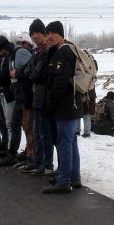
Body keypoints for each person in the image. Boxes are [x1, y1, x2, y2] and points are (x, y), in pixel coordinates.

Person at [42, 21, 82, 194]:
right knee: (71, 141)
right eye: (47, 33)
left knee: (64, 142)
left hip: (64, 105)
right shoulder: (65, 49)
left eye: (53, 33)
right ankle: (74, 177)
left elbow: (60, 81)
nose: (49, 36)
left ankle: (64, 181)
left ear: (61, 34)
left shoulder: (63, 51)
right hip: (70, 104)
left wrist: (50, 101)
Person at [22, 19, 55, 175]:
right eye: (32, 33)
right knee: (37, 131)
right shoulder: (36, 51)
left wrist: (31, 73)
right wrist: (31, 73)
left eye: (38, 33)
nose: (35, 36)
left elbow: (36, 75)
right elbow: (28, 71)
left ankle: (47, 164)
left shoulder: (46, 51)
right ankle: (38, 161)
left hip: (44, 99)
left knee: (44, 133)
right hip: (36, 98)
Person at [0, 35, 31, 166]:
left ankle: (28, 155)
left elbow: (29, 71)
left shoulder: (19, 53)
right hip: (18, 94)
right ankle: (14, 154)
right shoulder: (10, 54)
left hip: (24, 95)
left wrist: (17, 74)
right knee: (16, 125)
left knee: (26, 127)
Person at [12, 33, 35, 167]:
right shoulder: (29, 56)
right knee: (26, 126)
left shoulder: (27, 56)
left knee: (29, 127)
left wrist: (17, 73)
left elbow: (28, 73)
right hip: (22, 95)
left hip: (28, 97)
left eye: (19, 45)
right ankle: (28, 152)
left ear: (26, 44)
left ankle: (31, 156)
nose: (18, 48)